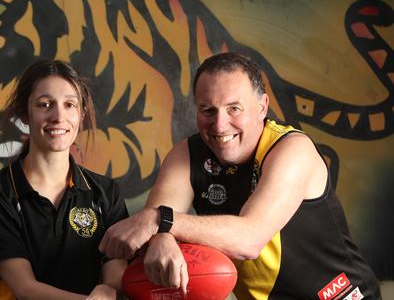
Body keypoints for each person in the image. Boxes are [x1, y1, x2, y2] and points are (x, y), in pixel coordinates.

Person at [99, 52, 381, 299]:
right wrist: (161, 234)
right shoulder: (187, 154)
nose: (220, 125)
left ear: (262, 107)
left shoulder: (293, 149)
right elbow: (153, 226)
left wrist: (160, 221)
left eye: (234, 108)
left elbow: (249, 240)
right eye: (208, 110)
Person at [0, 60, 129, 300]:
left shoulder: (105, 193)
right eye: (45, 105)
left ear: (82, 114)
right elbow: (25, 289)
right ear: (25, 114)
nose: (58, 116)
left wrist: (109, 289)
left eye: (70, 105)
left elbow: (116, 276)